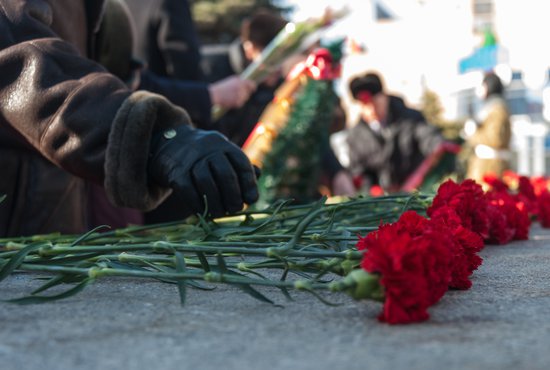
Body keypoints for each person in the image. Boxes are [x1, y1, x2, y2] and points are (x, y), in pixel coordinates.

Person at [0, 0, 258, 237]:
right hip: (14, 230)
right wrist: (158, 136)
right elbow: (22, 63)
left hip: (54, 220)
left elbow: (112, 74)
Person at [344, 71, 448, 193]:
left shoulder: (411, 119)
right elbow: (359, 172)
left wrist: (436, 145)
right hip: (381, 201)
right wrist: (373, 191)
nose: (372, 109)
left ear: (385, 97)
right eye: (366, 105)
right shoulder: (355, 137)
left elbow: (427, 136)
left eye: (375, 103)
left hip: (418, 190)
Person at [464, 71, 511, 185]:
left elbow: (495, 139)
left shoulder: (497, 109)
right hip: (487, 164)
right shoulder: (492, 108)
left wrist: (473, 134)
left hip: (490, 167)